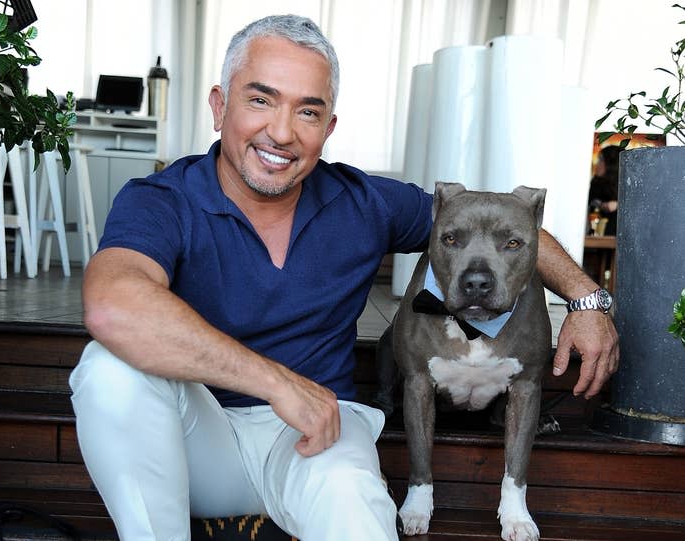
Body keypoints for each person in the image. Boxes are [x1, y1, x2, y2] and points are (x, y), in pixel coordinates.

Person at [69, 14, 619, 541]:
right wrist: (277, 384)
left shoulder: (364, 202)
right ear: (219, 106)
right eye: (260, 99)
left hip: (321, 438)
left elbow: (497, 221)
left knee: (353, 502)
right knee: (107, 370)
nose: (281, 132)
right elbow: (115, 308)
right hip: (198, 445)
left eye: (308, 112)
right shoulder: (162, 200)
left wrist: (586, 300)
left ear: (328, 127)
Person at [589, 145, 622, 235]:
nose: (597, 164)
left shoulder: (624, 183)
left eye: (600, 160)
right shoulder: (596, 182)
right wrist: (601, 205)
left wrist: (618, 205)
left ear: (610, 164)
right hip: (596, 231)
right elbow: (589, 202)